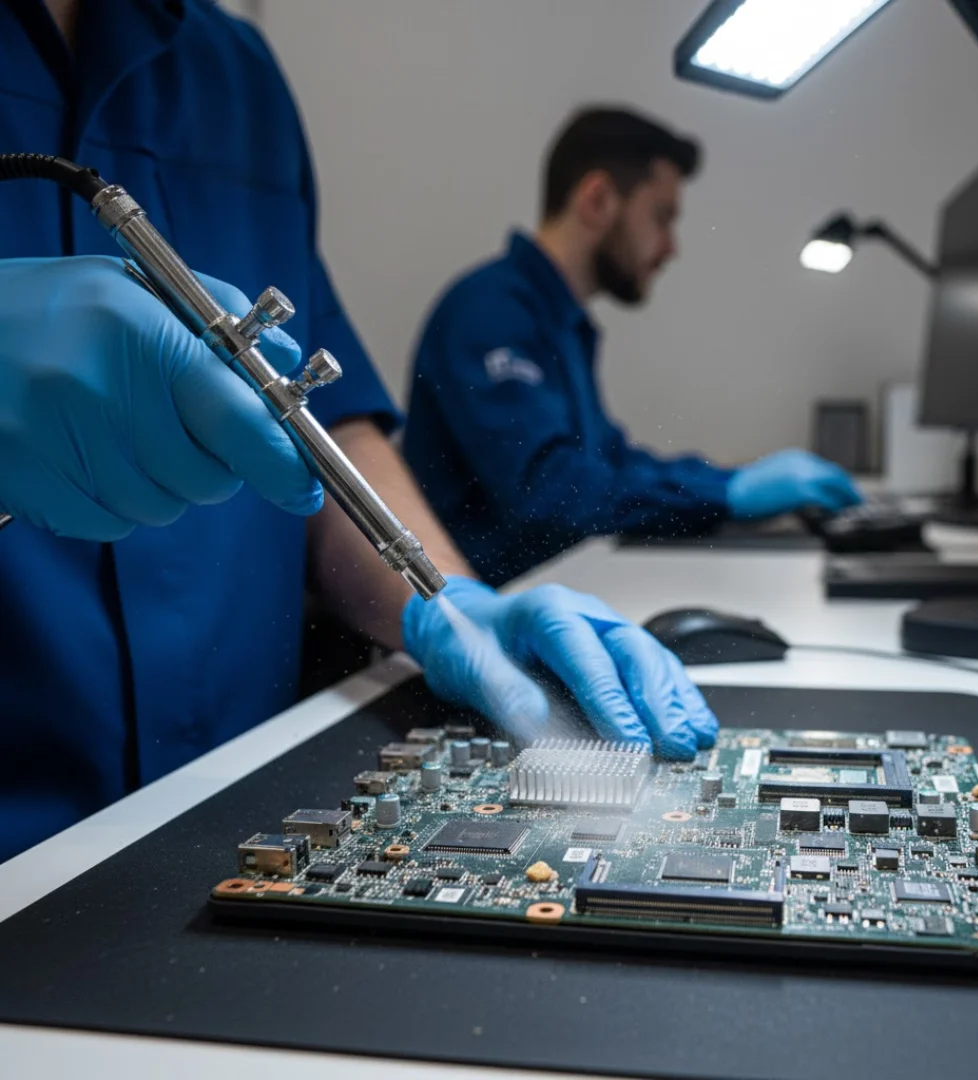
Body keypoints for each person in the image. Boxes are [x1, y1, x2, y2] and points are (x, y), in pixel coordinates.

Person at [0, 0, 716, 864]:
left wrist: (448, 602)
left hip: (245, 809)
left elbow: (319, 419)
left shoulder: (241, 75)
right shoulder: (492, 308)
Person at [403, 107, 862, 586]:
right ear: (599, 200)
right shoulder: (491, 314)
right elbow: (550, 497)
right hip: (484, 626)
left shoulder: (561, 323)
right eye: (662, 218)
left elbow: (610, 464)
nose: (671, 248)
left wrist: (728, 481)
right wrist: (725, 495)